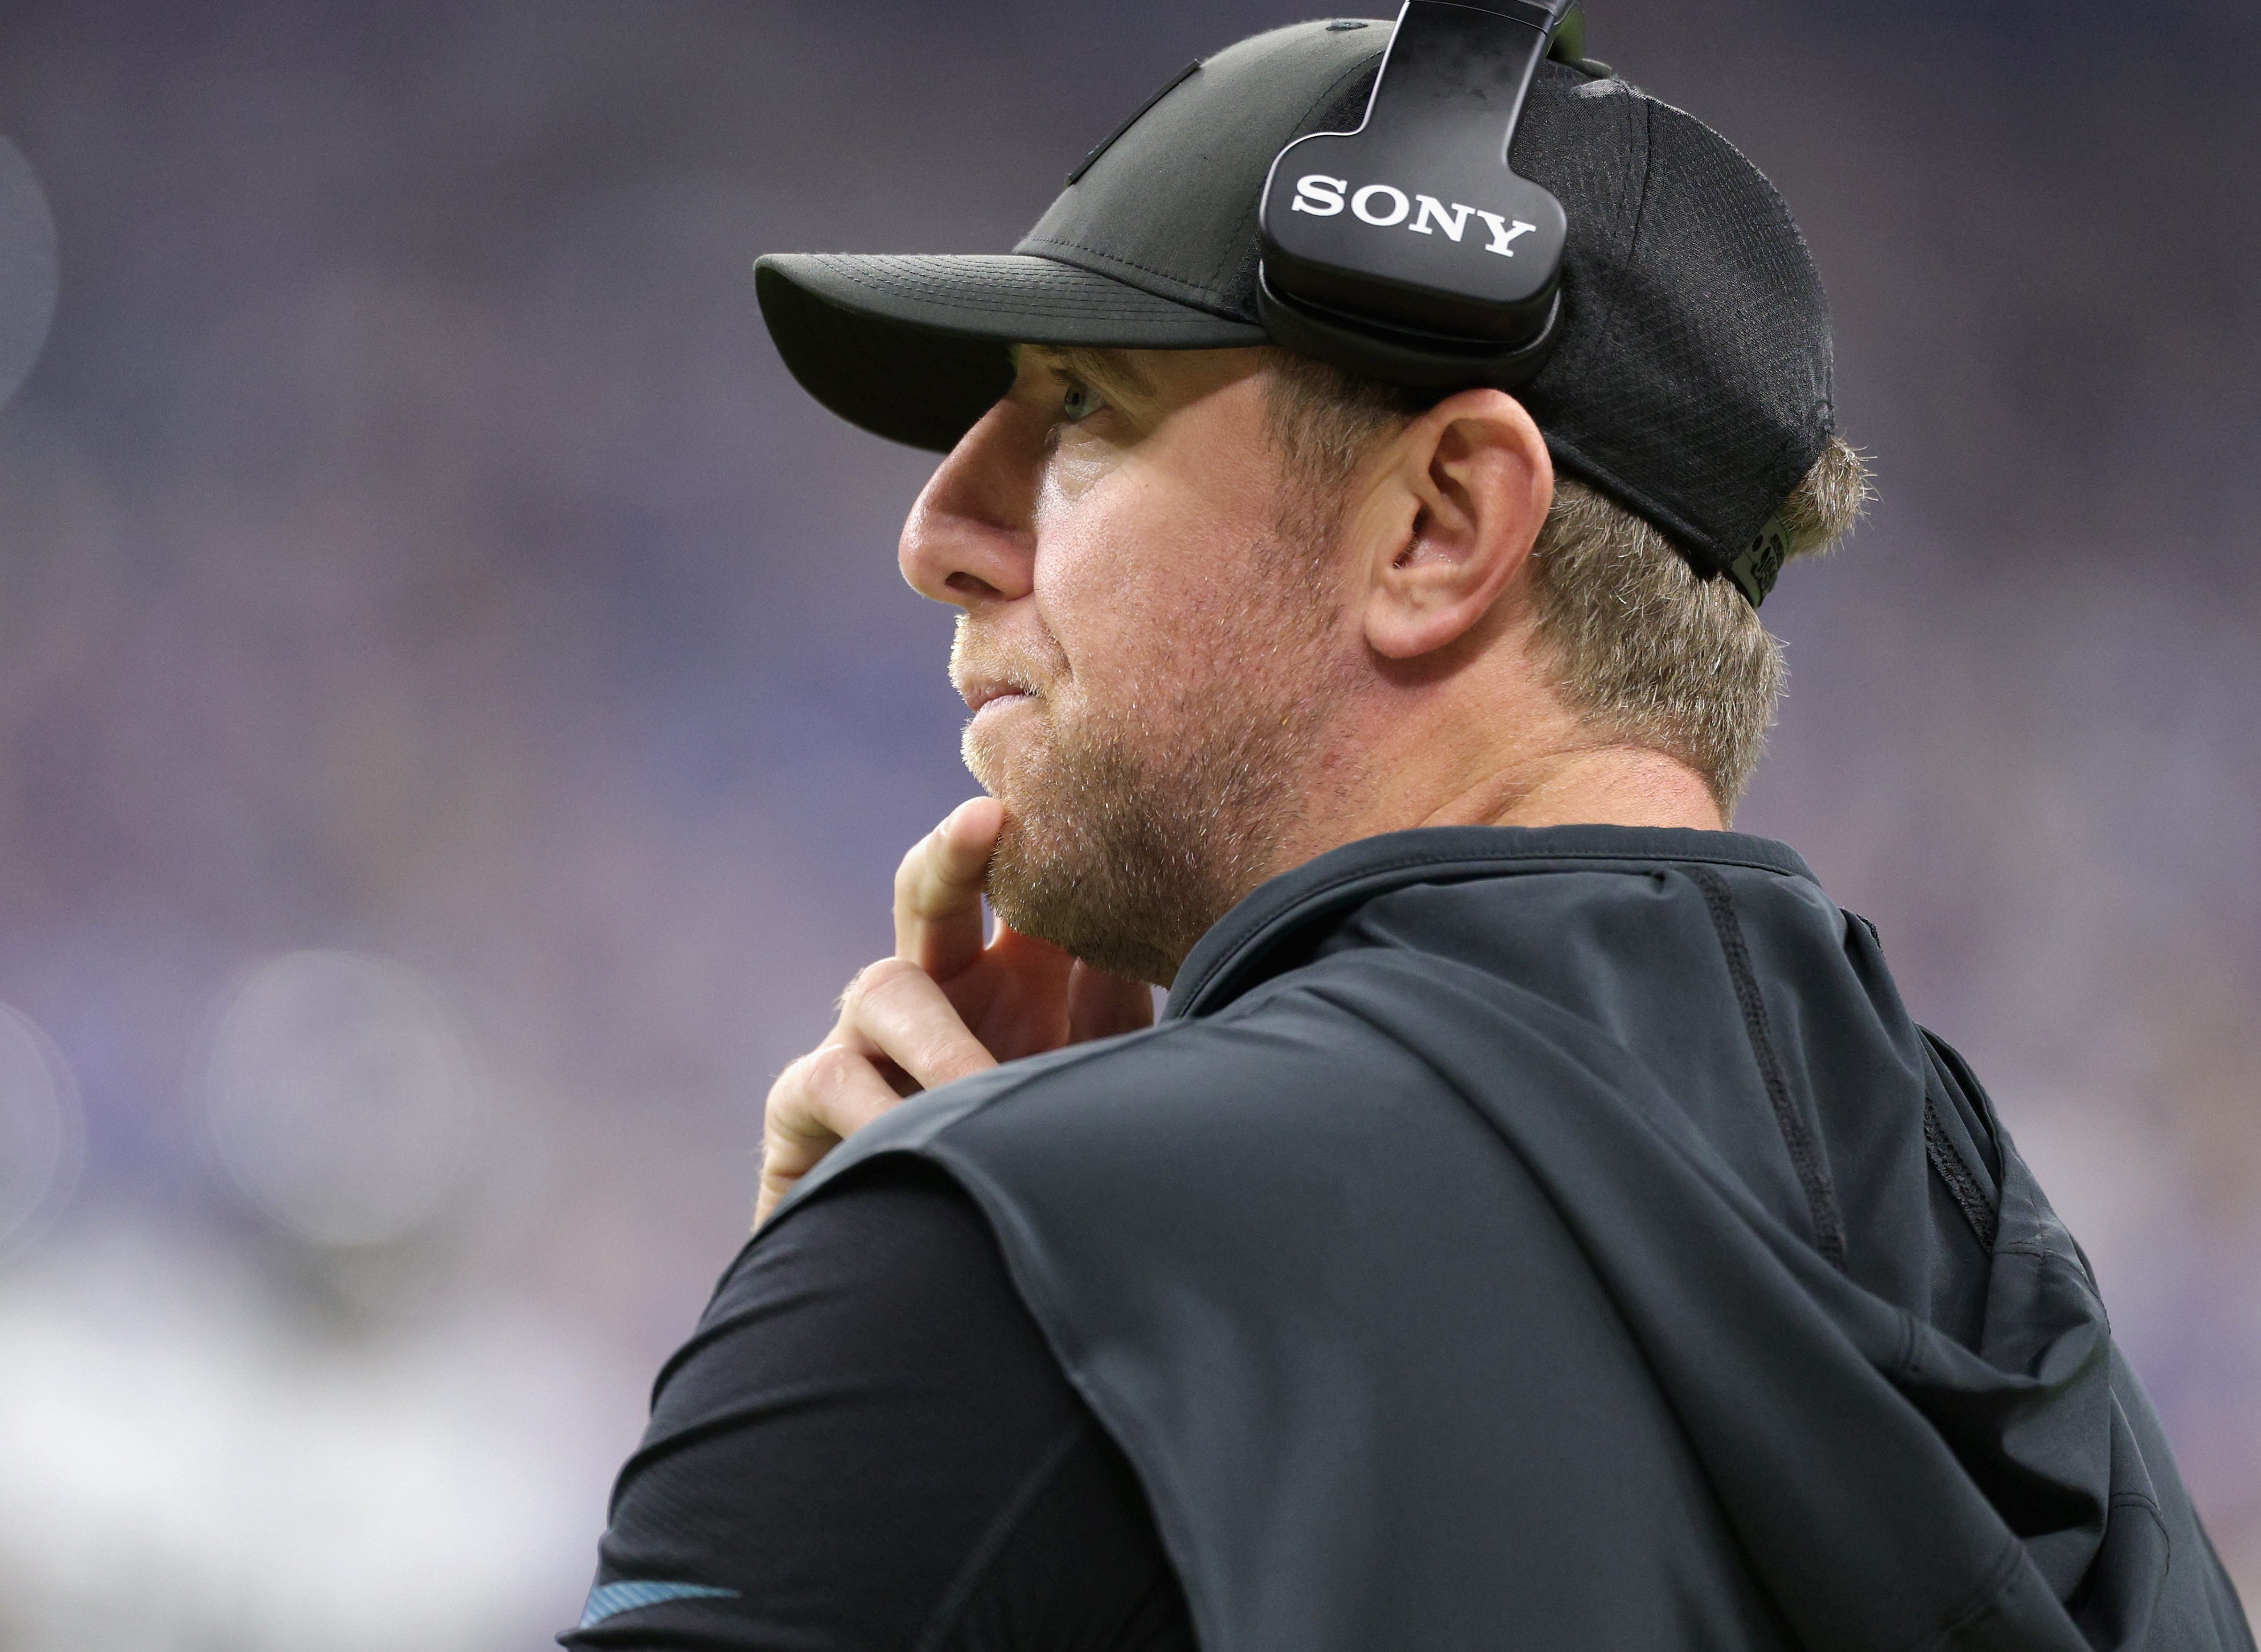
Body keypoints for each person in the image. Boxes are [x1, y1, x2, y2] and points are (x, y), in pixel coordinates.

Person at [567, 17, 2255, 1652]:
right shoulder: (2055, 1368)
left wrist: (893, 1332)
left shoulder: (998, 1266)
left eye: (1081, 404)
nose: (939, 527)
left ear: (1442, 524)